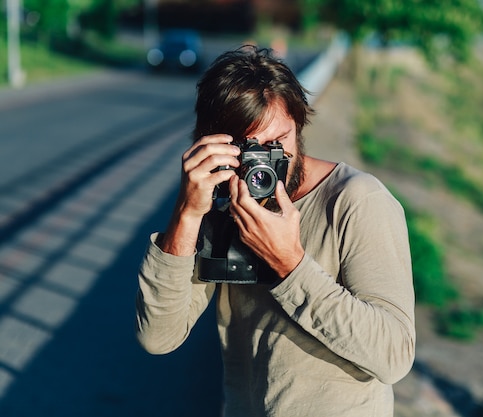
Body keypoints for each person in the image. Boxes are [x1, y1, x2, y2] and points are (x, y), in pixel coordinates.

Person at [135, 45, 416, 417]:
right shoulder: (221, 206)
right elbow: (157, 337)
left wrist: (290, 265)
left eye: (276, 143)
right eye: (246, 148)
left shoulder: (357, 201)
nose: (263, 164)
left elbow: (394, 355)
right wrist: (187, 214)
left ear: (299, 126)